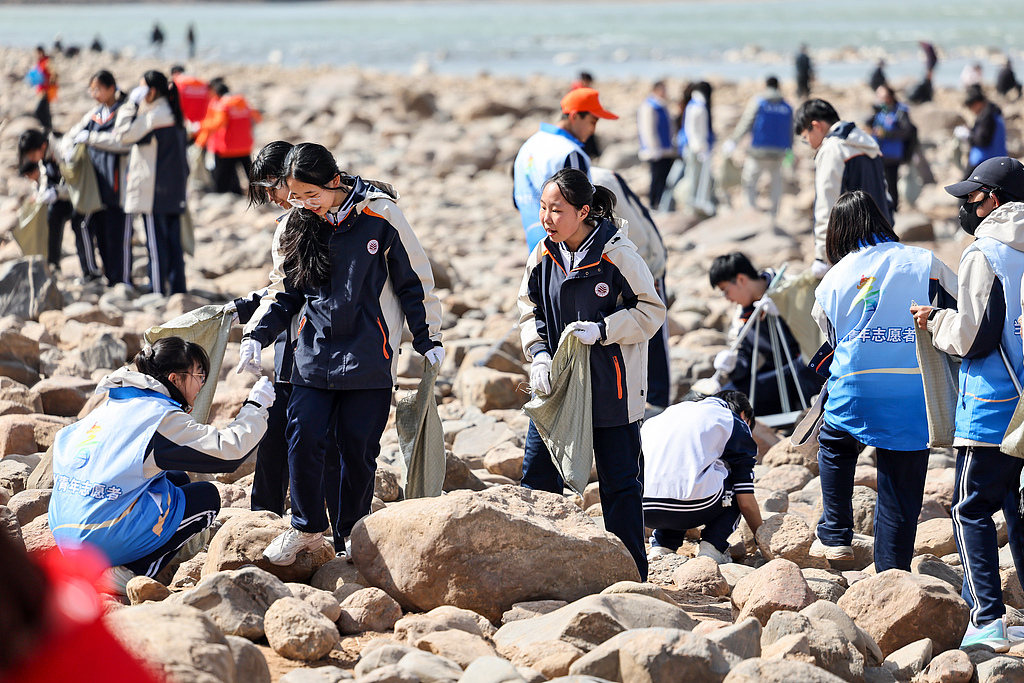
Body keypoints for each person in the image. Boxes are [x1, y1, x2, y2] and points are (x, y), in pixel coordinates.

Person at [238, 143, 444, 565]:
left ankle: (351, 533)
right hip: (313, 353)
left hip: (371, 353)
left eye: (310, 196)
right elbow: (285, 292)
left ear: (334, 182)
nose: (303, 205)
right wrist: (256, 335)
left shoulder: (381, 215)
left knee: (357, 448)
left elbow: (414, 283)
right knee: (303, 436)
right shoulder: (297, 223)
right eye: (295, 197)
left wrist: (428, 339)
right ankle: (308, 527)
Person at [518, 168, 667, 580]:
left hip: (613, 388)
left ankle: (632, 574)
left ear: (584, 211)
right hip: (557, 386)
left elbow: (652, 311)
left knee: (620, 484)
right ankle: (535, 568)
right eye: (543, 208)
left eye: (557, 210)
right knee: (537, 477)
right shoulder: (542, 254)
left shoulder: (617, 253)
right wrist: (538, 355)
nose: (547, 218)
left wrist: (604, 330)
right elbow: (528, 308)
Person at [48, 336, 275, 595]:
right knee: (206, 498)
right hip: (95, 540)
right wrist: (256, 407)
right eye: (199, 375)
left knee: (176, 479)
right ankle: (130, 572)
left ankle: (123, 553)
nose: (202, 383)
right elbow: (229, 453)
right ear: (175, 379)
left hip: (64, 532)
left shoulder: (117, 401)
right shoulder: (160, 417)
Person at [910, 157, 1024, 652]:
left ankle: (988, 619)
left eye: (970, 198)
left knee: (970, 508)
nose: (964, 207)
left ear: (992, 200)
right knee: (1018, 508)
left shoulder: (986, 253)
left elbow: (976, 336)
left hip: (994, 404)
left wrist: (936, 321)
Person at [811, 190, 956, 573]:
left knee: (835, 445)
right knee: (901, 482)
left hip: (855, 386)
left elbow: (828, 337)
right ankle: (892, 572)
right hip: (913, 389)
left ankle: (837, 532)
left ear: (837, 232)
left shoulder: (833, 278)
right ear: (880, 220)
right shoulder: (924, 261)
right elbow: (961, 310)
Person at [85, 70, 189, 296]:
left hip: (154, 191)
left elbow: (121, 134)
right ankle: (177, 290)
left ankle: (158, 290)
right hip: (174, 189)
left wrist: (131, 103)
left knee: (155, 244)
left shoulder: (153, 117)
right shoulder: (173, 113)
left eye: (142, 89)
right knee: (172, 243)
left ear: (151, 92)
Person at [642, 390, 762, 564]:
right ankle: (713, 548)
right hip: (692, 508)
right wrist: (762, 538)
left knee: (687, 473)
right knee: (735, 477)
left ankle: (662, 546)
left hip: (645, 509)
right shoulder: (732, 419)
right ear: (744, 415)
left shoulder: (667, 413)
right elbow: (745, 500)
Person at [590, 166, 671, 411]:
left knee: (651, 329)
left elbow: (634, 228)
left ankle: (657, 402)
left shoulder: (599, 179)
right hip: (618, 267)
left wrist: (646, 273)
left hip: (643, 264)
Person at [709, 252, 825, 416]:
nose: (727, 298)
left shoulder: (790, 287)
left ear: (741, 279)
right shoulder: (742, 315)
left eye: (725, 291)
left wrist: (786, 310)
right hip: (782, 378)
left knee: (802, 367)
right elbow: (745, 359)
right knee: (728, 396)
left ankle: (814, 415)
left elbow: (815, 332)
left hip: (809, 370)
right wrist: (733, 365)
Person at [793, 98, 892, 277]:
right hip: (883, 243)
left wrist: (822, 256)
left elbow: (827, 204)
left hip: (850, 250)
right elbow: (886, 194)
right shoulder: (869, 143)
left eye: (805, 138)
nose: (809, 144)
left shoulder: (832, 149)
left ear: (816, 126)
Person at [512, 87, 618, 252]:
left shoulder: (529, 145)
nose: (593, 130)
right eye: (593, 122)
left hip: (534, 243)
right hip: (566, 249)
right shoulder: (569, 152)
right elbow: (582, 206)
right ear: (575, 116)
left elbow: (516, 198)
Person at [63, 69, 132, 287]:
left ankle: (122, 279)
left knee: (117, 236)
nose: (94, 94)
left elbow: (123, 143)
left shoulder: (124, 111)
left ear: (111, 88)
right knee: (101, 235)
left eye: (98, 89)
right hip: (96, 187)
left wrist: (92, 138)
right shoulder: (95, 114)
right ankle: (109, 278)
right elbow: (72, 134)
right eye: (92, 90)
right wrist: (68, 147)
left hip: (118, 187)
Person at [724, 76, 792, 220]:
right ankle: (773, 214)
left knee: (750, 181)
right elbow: (790, 131)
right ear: (778, 87)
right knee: (776, 184)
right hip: (779, 152)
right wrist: (790, 152)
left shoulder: (759, 102)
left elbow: (747, 122)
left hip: (758, 151)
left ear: (766, 86)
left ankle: (750, 211)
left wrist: (734, 141)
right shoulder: (786, 106)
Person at [18, 130, 73, 275]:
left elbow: (74, 180)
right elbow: (45, 180)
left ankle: (91, 273)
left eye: (31, 154)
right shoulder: (43, 159)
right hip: (61, 198)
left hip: (77, 197)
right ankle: (53, 263)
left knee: (81, 227)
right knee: (52, 219)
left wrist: (57, 192)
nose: (31, 158)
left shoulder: (62, 149)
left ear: (42, 146)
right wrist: (41, 195)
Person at [195, 79, 260, 195]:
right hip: (245, 146)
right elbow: (257, 118)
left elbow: (218, 123)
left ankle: (225, 195)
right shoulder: (243, 103)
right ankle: (259, 195)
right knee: (250, 175)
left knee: (222, 178)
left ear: (217, 94)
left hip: (227, 148)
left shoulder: (223, 105)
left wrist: (200, 126)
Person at [866, 84, 915, 212]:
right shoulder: (880, 110)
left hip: (892, 154)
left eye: (882, 96)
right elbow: (867, 122)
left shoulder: (900, 111)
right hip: (877, 152)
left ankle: (893, 210)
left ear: (890, 96)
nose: (880, 99)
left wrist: (887, 134)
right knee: (876, 182)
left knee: (891, 183)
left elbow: (907, 131)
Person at [636, 81, 676, 209]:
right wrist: (654, 147)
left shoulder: (662, 106)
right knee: (656, 177)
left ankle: (662, 202)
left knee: (664, 177)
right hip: (655, 150)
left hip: (666, 149)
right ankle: (654, 202)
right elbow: (648, 129)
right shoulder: (649, 106)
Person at [678, 81, 715, 217]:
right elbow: (696, 131)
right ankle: (692, 207)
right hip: (697, 148)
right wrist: (702, 148)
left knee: (695, 177)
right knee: (694, 178)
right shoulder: (699, 106)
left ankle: (695, 205)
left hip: (693, 147)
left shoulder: (693, 104)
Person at [955, 86, 1007, 175]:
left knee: (967, 184)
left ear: (977, 103)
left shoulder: (987, 117)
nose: (971, 111)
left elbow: (982, 140)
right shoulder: (993, 112)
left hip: (984, 160)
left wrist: (968, 136)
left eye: (971, 107)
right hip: (998, 159)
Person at [27, 46, 58, 133]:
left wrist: (48, 84)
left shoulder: (47, 62)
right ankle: (48, 129)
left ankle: (47, 128)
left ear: (41, 52)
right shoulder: (40, 62)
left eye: (37, 53)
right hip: (41, 91)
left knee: (40, 111)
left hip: (46, 91)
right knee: (45, 110)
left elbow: (54, 74)